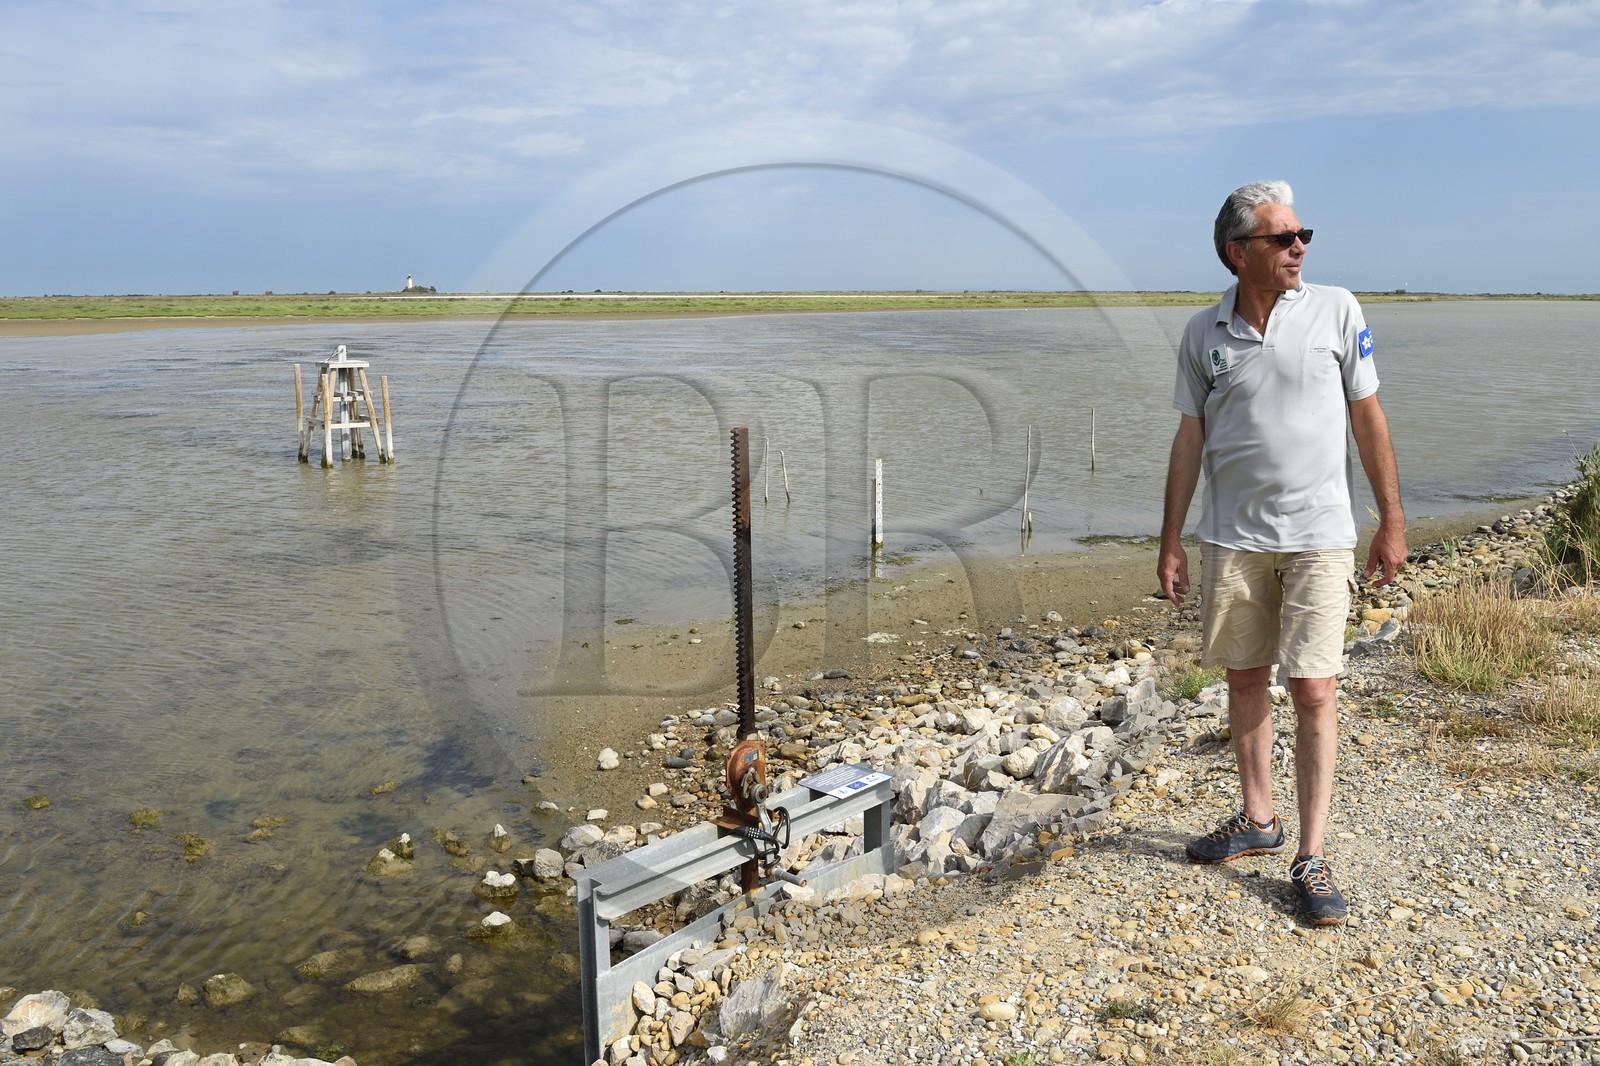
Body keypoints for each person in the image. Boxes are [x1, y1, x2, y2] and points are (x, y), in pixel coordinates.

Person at [1156, 180, 1406, 926]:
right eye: (1282, 238)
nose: (1299, 247)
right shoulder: (1204, 334)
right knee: (1243, 678)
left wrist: (1391, 521)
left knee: (1316, 689)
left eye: (1303, 236)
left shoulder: (1338, 309)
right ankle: (1258, 819)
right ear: (1238, 253)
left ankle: (1312, 854)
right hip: (1232, 538)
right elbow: (1188, 439)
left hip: (1322, 537)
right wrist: (1169, 539)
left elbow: (1368, 418)